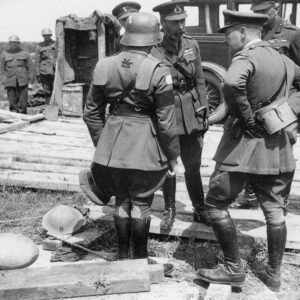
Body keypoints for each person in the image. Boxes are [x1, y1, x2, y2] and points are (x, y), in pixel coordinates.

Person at [196, 10, 300, 292]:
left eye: (228, 33)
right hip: (277, 149)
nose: (226, 40)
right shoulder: (284, 59)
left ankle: (232, 268)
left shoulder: (245, 58)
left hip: (241, 148)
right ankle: (274, 274)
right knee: (275, 212)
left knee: (216, 204)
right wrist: (288, 112)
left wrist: (248, 118)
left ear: (242, 32)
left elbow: (231, 83)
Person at [80, 12, 180, 270]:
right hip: (145, 148)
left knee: (121, 200)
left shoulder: (104, 65)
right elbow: (166, 123)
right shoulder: (159, 70)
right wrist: (172, 157)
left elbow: (91, 112)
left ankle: (122, 257)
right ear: (153, 39)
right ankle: (138, 261)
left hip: (111, 147)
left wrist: (102, 142)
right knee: (142, 203)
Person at [151, 0, 209, 230]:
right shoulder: (154, 49)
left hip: (192, 113)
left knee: (193, 164)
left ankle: (200, 207)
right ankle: (169, 208)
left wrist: (203, 109)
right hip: (168, 113)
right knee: (169, 165)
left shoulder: (192, 45)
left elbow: (200, 79)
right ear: (163, 24)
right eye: (175, 23)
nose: (181, 26)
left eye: (183, 21)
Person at [0, 35, 33, 114]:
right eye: (12, 43)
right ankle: (14, 117)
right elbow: (1, 69)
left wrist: (30, 80)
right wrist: (4, 80)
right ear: (9, 43)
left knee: (23, 102)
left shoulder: (25, 53)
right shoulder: (4, 54)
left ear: (18, 43)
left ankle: (23, 116)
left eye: (15, 43)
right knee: (12, 102)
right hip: (10, 80)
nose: (13, 44)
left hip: (23, 80)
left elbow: (30, 67)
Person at [35, 28, 56, 105]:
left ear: (51, 35)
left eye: (48, 35)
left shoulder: (55, 44)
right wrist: (37, 73)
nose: (46, 37)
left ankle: (56, 110)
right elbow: (37, 61)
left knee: (56, 91)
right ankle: (49, 111)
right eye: (45, 35)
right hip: (44, 72)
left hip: (55, 71)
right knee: (47, 91)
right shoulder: (39, 46)